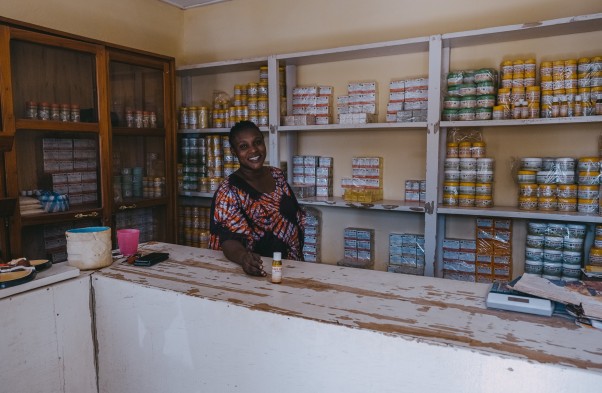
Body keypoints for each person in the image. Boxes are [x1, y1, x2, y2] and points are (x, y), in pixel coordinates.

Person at [209, 121, 305, 276]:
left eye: (258, 142)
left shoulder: (276, 175)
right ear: (234, 152)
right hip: (259, 272)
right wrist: (244, 258)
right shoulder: (229, 191)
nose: (253, 150)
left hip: (290, 268)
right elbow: (228, 240)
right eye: (243, 146)